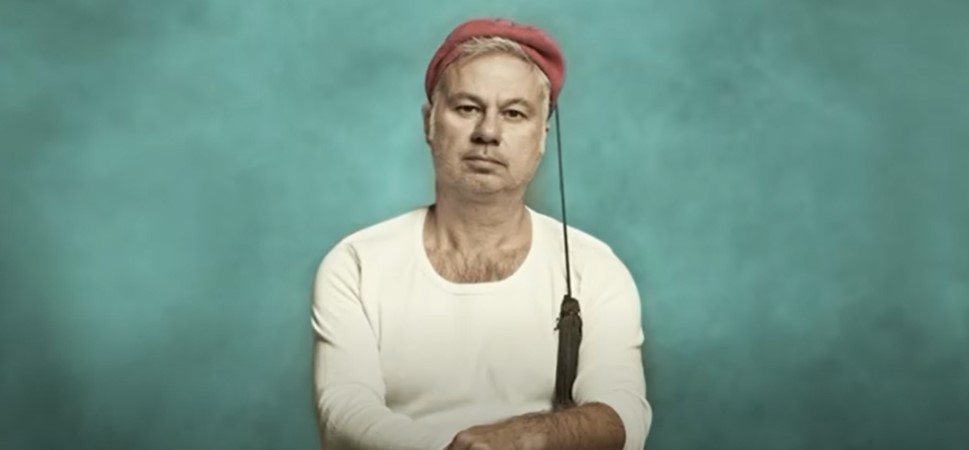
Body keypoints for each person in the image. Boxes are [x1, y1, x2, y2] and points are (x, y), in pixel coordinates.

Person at [311, 17, 652, 450]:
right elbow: (344, 413)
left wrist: (525, 437)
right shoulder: (357, 264)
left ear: (542, 136)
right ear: (429, 123)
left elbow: (625, 415)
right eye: (467, 108)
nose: (488, 132)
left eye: (514, 114)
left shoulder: (596, 268)